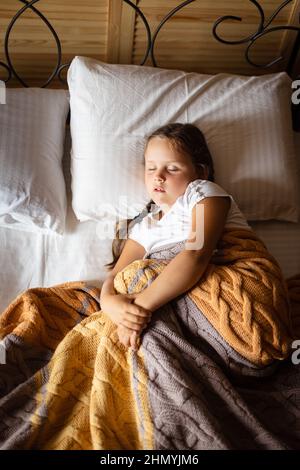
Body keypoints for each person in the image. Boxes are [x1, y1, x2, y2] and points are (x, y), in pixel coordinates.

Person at [100, 123, 251, 351]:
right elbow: (115, 276)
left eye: (171, 168)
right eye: (151, 168)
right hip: (158, 299)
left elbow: (196, 254)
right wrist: (109, 303)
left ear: (200, 172)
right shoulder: (144, 225)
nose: (158, 176)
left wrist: (137, 313)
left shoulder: (202, 192)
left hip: (205, 284)